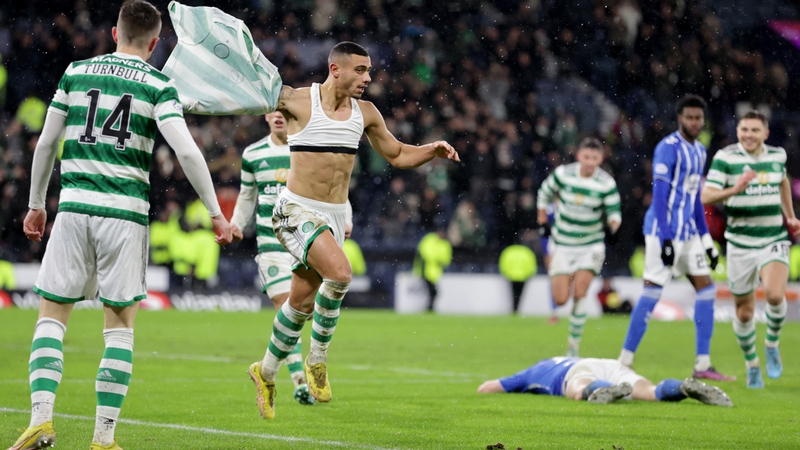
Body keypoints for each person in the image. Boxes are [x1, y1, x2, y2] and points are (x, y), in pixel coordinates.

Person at [9, 2, 233, 449]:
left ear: (114, 32)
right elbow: (187, 152)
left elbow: (47, 142)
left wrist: (36, 204)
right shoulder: (157, 83)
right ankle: (103, 437)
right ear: (154, 43)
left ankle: (40, 420)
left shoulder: (76, 72)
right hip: (124, 214)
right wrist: (214, 212)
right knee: (119, 326)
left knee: (52, 318)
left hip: (73, 207)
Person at [247, 41, 459, 419]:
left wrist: (431, 150)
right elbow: (246, 94)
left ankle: (264, 372)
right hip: (294, 210)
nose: (367, 78)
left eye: (369, 71)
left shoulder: (366, 113)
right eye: (360, 70)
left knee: (300, 304)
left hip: (328, 215)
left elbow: (395, 154)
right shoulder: (297, 101)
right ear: (335, 69)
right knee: (341, 273)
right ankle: (317, 359)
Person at [617, 95, 733, 381]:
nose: (694, 122)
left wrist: (706, 241)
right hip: (662, 232)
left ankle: (703, 365)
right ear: (680, 118)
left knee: (707, 290)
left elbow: (694, 198)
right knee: (652, 293)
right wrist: (667, 239)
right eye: (689, 117)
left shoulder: (700, 151)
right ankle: (624, 361)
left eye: (698, 118)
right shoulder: (667, 148)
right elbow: (659, 195)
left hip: (690, 234)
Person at [701, 110, 798, 388]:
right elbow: (707, 195)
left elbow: (782, 181)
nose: (749, 135)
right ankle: (752, 363)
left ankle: (771, 344)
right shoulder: (726, 158)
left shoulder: (777, 156)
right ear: (738, 131)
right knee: (744, 311)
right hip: (740, 244)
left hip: (773, 238)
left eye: (755, 130)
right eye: (744, 129)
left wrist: (789, 216)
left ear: (765, 134)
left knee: (775, 294)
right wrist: (735, 189)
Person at [231, 111, 315, 405]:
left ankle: (268, 372)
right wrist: (236, 225)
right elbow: (246, 196)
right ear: (266, 115)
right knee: (286, 305)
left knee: (301, 312)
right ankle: (299, 380)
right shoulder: (253, 154)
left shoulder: (306, 148)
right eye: (273, 111)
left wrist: (346, 218)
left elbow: (330, 188)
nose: (278, 116)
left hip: (303, 245)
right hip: (270, 246)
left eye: (284, 111)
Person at [536, 137, 621, 356]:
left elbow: (614, 213)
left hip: (590, 244)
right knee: (560, 299)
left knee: (581, 291)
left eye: (595, 158)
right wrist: (542, 220)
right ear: (579, 156)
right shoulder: (563, 175)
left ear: (601, 159)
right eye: (586, 157)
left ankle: (573, 348)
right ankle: (571, 276)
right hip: (563, 243)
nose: (590, 162)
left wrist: (613, 227)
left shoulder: (606, 184)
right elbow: (543, 193)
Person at [477, 357, 732, 407]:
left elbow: (487, 388)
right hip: (610, 364)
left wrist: (518, 386)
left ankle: (600, 390)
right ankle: (683, 387)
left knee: (577, 389)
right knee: (651, 391)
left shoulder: (531, 372)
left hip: (578, 370)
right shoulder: (556, 360)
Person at [413, 227, 453, 312]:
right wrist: (436, 259)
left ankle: (429, 308)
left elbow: (446, 259)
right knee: (433, 291)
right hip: (424, 270)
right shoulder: (430, 239)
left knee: (432, 292)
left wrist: (436, 259)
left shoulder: (445, 244)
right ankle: (429, 308)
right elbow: (423, 252)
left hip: (434, 273)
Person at [498, 242, 537, 313]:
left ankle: (514, 309)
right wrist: (529, 274)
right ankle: (517, 309)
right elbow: (532, 264)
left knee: (513, 294)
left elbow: (503, 263)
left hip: (512, 276)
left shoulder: (509, 251)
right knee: (520, 294)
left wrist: (506, 273)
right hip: (523, 277)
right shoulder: (526, 251)